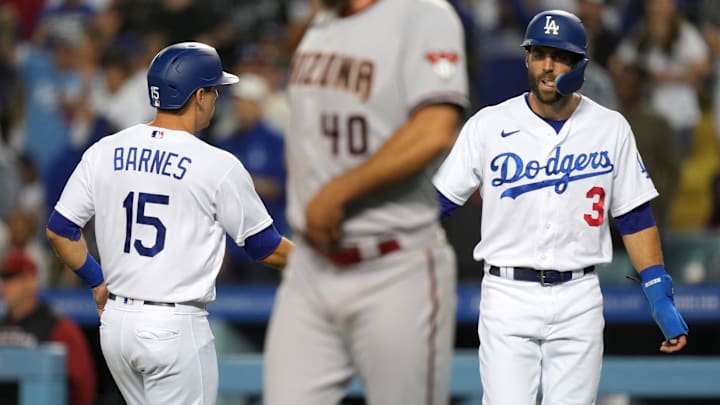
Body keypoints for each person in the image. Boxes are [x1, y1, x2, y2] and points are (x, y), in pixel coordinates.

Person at [432, 10, 688, 404]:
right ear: (527, 59)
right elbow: (437, 204)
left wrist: (659, 295)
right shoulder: (488, 125)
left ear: (580, 63)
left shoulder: (610, 127)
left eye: (559, 55)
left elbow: (635, 217)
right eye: (538, 54)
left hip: (578, 295)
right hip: (507, 293)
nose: (548, 66)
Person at [45, 42, 293, 405]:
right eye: (214, 90)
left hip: (117, 326)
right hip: (173, 329)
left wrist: (98, 281)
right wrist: (319, 263)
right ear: (198, 96)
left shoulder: (105, 149)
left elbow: (60, 230)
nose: (216, 99)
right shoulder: (216, 164)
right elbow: (265, 247)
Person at [262, 0, 469, 404]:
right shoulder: (322, 23)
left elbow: (435, 128)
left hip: (393, 265)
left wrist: (340, 191)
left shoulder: (423, 14)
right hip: (311, 265)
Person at [0, 248, 97, 405]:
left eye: (12, 278)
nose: (5, 286)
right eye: (4, 279)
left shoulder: (59, 327)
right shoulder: (2, 325)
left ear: (31, 280)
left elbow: (83, 387)